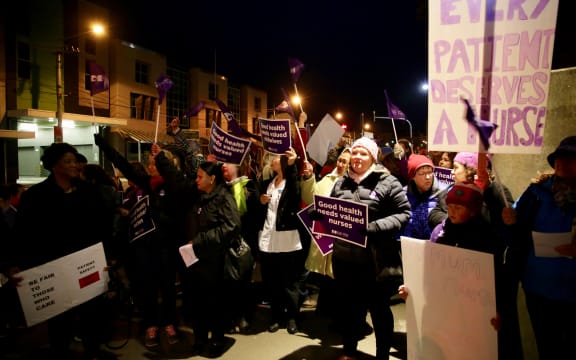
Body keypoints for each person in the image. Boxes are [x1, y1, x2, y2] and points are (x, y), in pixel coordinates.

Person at [10, 143, 115, 360]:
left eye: (76, 160)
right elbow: (22, 234)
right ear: (54, 166)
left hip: (87, 268)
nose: (75, 165)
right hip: (55, 270)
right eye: (69, 161)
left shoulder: (90, 192)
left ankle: (92, 351)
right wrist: (15, 264)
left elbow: (104, 227)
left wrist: (109, 257)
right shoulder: (36, 196)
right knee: (60, 324)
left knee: (92, 319)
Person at [94, 134, 183, 350]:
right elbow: (124, 166)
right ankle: (150, 325)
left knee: (168, 288)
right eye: (149, 164)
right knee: (148, 288)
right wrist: (104, 145)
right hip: (145, 247)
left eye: (155, 163)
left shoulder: (176, 186)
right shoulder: (146, 184)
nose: (151, 167)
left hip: (167, 247)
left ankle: (170, 323)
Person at [330, 137, 411, 360]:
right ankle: (349, 351)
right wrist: (320, 217)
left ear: (373, 158)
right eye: (354, 152)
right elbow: (331, 213)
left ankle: (382, 355)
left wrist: (374, 227)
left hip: (375, 262)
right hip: (345, 260)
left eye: (363, 153)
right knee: (349, 310)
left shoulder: (388, 182)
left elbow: (404, 214)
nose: (357, 157)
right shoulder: (340, 183)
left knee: (379, 312)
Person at [398, 182, 501, 329]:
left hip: (471, 311)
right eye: (450, 207)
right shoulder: (440, 231)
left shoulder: (486, 237)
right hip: (442, 309)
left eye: (458, 208)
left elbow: (495, 277)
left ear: (473, 211)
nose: (451, 212)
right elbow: (428, 268)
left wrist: (497, 309)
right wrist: (413, 290)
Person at [509, 136, 576, 359]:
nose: (561, 163)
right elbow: (516, 228)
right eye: (558, 158)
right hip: (539, 289)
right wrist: (509, 219)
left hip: (572, 292)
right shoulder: (536, 193)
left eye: (569, 158)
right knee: (547, 348)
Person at [185, 161, 241, 358]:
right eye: (196, 176)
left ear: (212, 179)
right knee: (197, 301)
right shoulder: (198, 196)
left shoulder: (224, 198)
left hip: (215, 261)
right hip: (195, 260)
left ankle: (217, 338)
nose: (196, 180)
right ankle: (199, 338)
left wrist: (200, 240)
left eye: (200, 177)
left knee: (215, 302)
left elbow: (231, 227)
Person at [257, 147, 304, 335]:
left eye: (275, 157)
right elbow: (262, 208)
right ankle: (276, 316)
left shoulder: (290, 181)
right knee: (272, 281)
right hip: (268, 238)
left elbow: (295, 194)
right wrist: (260, 201)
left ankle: (293, 316)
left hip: (286, 239)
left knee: (289, 281)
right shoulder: (268, 183)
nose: (272, 160)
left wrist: (292, 166)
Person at [300, 148, 352, 316]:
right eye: (341, 160)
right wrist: (308, 178)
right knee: (328, 279)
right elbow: (311, 199)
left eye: (346, 162)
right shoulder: (328, 180)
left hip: (344, 242)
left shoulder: (355, 183)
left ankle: (341, 316)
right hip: (326, 239)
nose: (342, 164)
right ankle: (326, 312)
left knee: (342, 279)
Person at [222, 158, 260, 334]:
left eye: (227, 162)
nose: (223, 166)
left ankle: (243, 315)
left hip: (245, 242)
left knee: (243, 281)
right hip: (224, 243)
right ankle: (229, 316)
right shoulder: (220, 186)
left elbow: (253, 214)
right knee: (227, 282)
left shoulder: (249, 186)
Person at [401, 154, 447, 240]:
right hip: (410, 245)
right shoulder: (403, 194)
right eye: (422, 173)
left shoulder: (444, 192)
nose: (428, 177)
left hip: (435, 245)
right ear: (413, 177)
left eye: (430, 172)